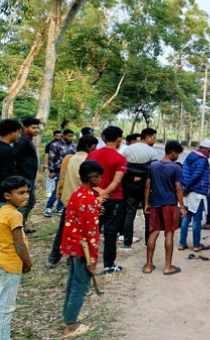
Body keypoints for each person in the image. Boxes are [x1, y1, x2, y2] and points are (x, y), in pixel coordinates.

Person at [60, 160, 103, 337]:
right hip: (83, 249)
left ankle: (69, 314)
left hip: (72, 245)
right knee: (80, 286)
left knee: (72, 282)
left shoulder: (78, 195)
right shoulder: (89, 200)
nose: (101, 180)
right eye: (99, 177)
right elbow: (91, 232)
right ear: (93, 178)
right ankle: (70, 326)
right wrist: (92, 258)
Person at [47, 135, 99, 268]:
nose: (96, 149)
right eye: (94, 146)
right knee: (82, 233)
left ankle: (54, 258)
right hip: (81, 202)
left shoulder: (71, 158)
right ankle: (74, 258)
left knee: (64, 230)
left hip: (68, 200)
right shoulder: (86, 161)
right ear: (89, 147)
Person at [87, 126, 126, 274]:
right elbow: (116, 182)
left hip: (93, 198)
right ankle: (109, 265)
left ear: (103, 138)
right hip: (114, 199)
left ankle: (87, 261)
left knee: (92, 230)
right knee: (110, 232)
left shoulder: (92, 155)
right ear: (118, 140)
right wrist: (105, 193)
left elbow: (86, 177)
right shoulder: (120, 158)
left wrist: (98, 192)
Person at [143, 141, 186, 275]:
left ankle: (148, 265)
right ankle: (168, 266)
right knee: (169, 233)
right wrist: (182, 206)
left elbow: (147, 186)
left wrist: (146, 203)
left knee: (154, 233)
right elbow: (178, 188)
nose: (178, 156)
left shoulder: (153, 165)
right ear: (172, 152)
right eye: (178, 153)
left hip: (155, 204)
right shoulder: (175, 168)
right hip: (170, 204)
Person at [0, 176, 32, 340]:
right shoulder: (14, 215)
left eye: (27, 192)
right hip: (11, 265)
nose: (26, 196)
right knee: (6, 307)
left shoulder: (2, 212)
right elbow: (19, 243)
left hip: (2, 262)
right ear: (7, 195)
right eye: (20, 193)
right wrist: (27, 263)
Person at [121, 128, 158, 249]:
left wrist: (132, 175)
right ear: (148, 137)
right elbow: (154, 171)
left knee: (129, 213)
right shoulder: (152, 152)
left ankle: (127, 243)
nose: (154, 140)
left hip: (130, 186)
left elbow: (122, 168)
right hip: (146, 188)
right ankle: (148, 242)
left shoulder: (128, 149)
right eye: (154, 137)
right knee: (148, 213)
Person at [179, 140, 210, 252]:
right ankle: (196, 245)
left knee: (186, 218)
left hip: (188, 192)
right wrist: (188, 188)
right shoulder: (202, 160)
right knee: (197, 220)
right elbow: (197, 175)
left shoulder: (191, 156)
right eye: (209, 150)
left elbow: (184, 172)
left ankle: (182, 243)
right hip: (196, 192)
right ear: (204, 148)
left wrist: (185, 188)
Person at [14, 118, 40, 233]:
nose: (36, 130)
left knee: (31, 201)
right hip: (23, 178)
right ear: (25, 128)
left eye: (37, 128)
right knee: (23, 204)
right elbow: (14, 158)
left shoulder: (27, 140)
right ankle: (17, 230)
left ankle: (22, 227)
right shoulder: (22, 142)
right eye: (33, 128)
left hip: (29, 178)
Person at [45, 129, 75, 217]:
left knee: (64, 190)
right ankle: (48, 207)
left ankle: (59, 208)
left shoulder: (73, 146)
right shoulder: (55, 145)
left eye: (72, 136)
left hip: (69, 171)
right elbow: (51, 158)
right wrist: (51, 171)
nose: (71, 138)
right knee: (57, 190)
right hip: (58, 170)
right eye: (69, 136)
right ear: (64, 136)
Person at [0, 120, 21, 202]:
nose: (19, 136)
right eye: (18, 132)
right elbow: (8, 175)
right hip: (2, 196)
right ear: (11, 132)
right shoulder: (7, 151)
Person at [43, 130, 62, 197]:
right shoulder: (49, 144)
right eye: (57, 136)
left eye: (60, 136)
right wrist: (46, 163)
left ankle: (57, 191)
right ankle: (48, 191)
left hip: (60, 163)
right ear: (54, 136)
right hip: (51, 163)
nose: (59, 137)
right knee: (50, 178)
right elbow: (46, 154)